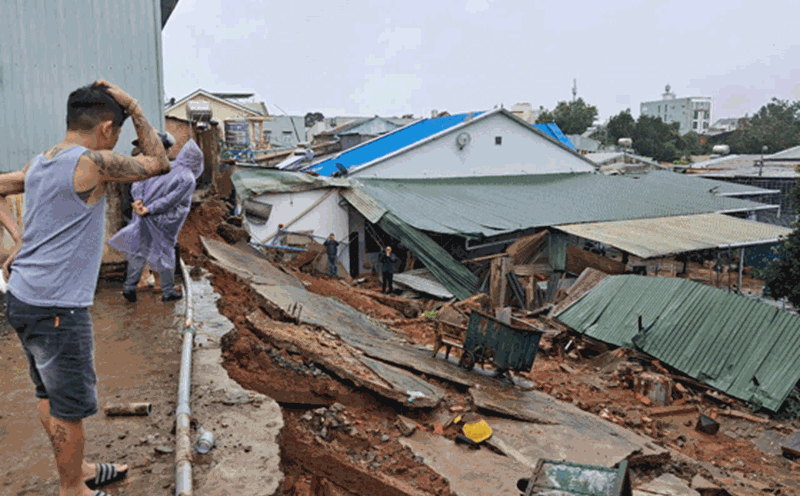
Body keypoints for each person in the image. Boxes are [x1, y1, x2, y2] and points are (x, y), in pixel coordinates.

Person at [0, 80, 170, 496]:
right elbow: (160, 161)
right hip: (56, 307)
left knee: (50, 394)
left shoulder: (41, 163)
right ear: (107, 127)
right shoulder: (94, 162)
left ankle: (80, 470)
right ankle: (73, 488)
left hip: (23, 296)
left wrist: (16, 237)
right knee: (70, 408)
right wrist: (133, 103)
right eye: (118, 127)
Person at [108, 139, 203, 303]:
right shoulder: (188, 178)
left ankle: (129, 288)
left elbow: (140, 180)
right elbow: (171, 200)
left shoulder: (165, 166)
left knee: (139, 251)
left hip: (143, 215)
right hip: (164, 220)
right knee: (166, 252)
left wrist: (138, 202)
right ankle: (167, 291)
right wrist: (150, 209)